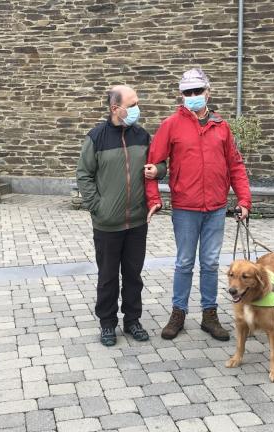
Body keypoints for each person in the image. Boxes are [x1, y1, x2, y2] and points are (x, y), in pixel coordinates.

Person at [145, 68, 251, 342]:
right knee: (183, 262)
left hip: (215, 207)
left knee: (211, 262)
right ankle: (178, 312)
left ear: (208, 92)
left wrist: (244, 199)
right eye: (187, 93)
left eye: (197, 91)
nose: (193, 97)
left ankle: (209, 314)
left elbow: (235, 165)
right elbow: (154, 164)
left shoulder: (222, 126)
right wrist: (154, 198)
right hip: (185, 207)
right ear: (181, 95)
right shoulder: (171, 125)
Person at [76, 85, 165, 346]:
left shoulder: (142, 136)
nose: (138, 108)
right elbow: (84, 174)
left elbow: (159, 164)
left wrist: (157, 171)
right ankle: (107, 324)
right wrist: (98, 207)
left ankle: (132, 320)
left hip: (137, 221)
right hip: (107, 224)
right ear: (116, 108)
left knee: (133, 275)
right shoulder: (96, 138)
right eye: (133, 103)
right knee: (107, 277)